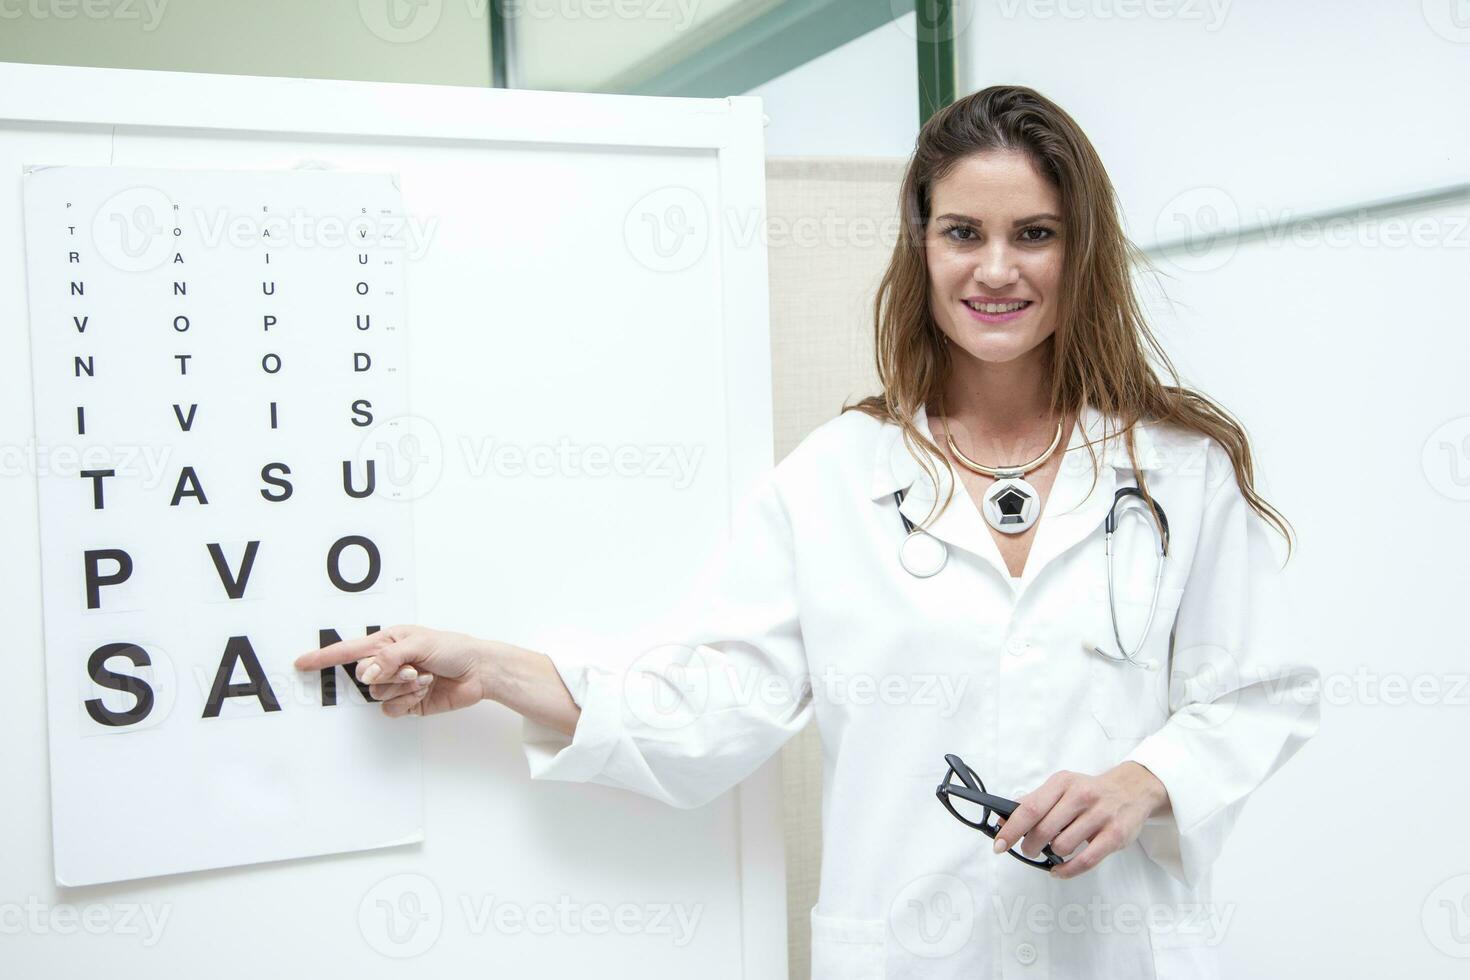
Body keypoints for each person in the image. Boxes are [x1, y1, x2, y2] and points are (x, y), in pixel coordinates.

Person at [295, 85, 1320, 979]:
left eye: (1035, 234)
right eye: (964, 231)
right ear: (921, 246)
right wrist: (487, 664)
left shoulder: (1174, 469)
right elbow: (704, 706)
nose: (997, 269)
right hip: (916, 949)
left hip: (1120, 949)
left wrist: (1144, 781)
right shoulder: (835, 480)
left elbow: (1259, 691)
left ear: (1080, 250)